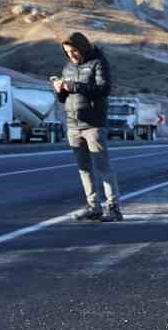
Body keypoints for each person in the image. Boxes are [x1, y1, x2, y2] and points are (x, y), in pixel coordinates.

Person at [52, 32, 121, 222]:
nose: (71, 55)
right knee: (84, 169)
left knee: (102, 167)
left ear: (82, 47)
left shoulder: (98, 62)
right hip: (73, 124)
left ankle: (113, 208)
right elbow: (65, 98)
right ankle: (93, 207)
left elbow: (103, 89)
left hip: (93, 124)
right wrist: (60, 91)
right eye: (67, 52)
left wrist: (73, 86)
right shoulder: (67, 68)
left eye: (74, 50)